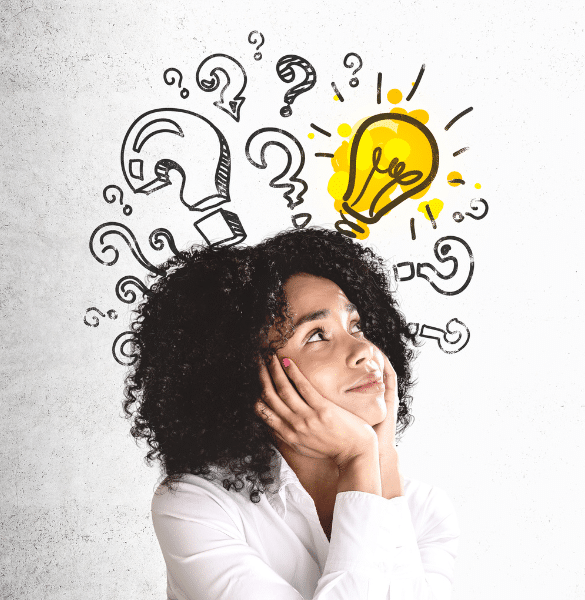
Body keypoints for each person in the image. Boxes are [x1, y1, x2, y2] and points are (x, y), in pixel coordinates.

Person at [123, 227, 459, 600]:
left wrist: (380, 458)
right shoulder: (195, 507)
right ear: (247, 373)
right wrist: (359, 459)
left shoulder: (427, 512)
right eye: (317, 334)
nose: (364, 350)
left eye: (356, 326)